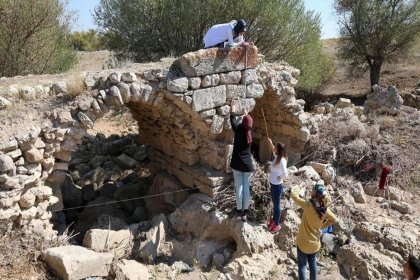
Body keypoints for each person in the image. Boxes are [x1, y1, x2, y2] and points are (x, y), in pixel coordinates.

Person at [291, 183, 337, 280]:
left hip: (303, 243)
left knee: (302, 267)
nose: (312, 192)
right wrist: (322, 226)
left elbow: (294, 196)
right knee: (313, 266)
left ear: (316, 196)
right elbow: (333, 219)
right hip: (315, 244)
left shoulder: (308, 205)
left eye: (313, 191)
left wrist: (297, 187)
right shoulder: (324, 210)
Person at [230, 109, 254, 221]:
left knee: (239, 188)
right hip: (248, 166)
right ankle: (246, 211)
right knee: (246, 189)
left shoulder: (238, 130)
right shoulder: (249, 132)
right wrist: (246, 114)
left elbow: (233, 121)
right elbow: (247, 123)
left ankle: (239, 211)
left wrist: (233, 109)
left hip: (237, 164)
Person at [266, 138, 288, 233]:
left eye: (275, 147)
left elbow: (286, 174)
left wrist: (281, 177)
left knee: (277, 205)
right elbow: (272, 150)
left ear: (278, 150)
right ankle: (274, 221)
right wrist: (270, 143)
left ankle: (277, 224)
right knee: (275, 204)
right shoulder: (277, 157)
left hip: (277, 186)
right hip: (273, 184)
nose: (274, 148)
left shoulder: (282, 160)